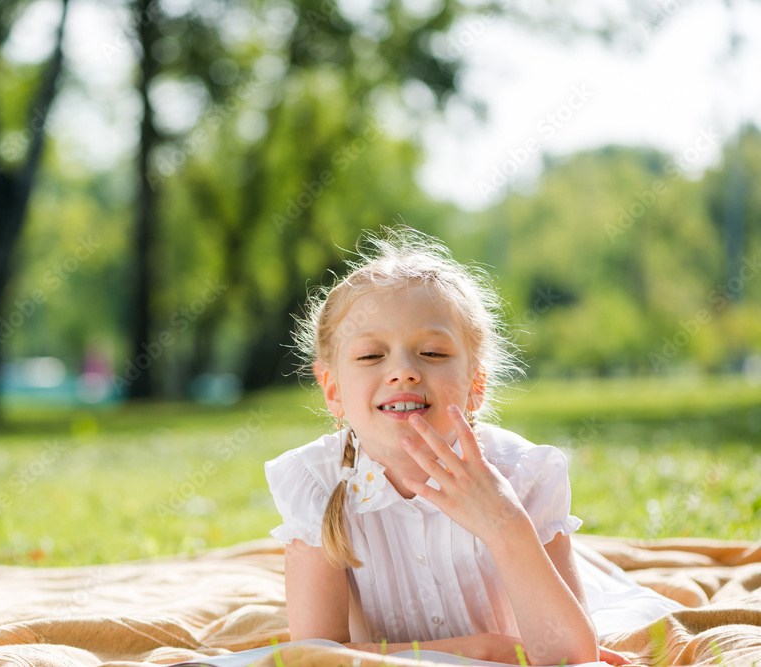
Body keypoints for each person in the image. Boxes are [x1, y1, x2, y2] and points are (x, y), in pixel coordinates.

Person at [264, 228, 681, 665]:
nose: (403, 371)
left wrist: (504, 522)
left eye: (433, 353)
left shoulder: (522, 473)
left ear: (476, 385)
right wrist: (479, 651)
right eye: (371, 356)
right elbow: (314, 658)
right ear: (332, 390)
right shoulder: (316, 483)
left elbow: (570, 655)